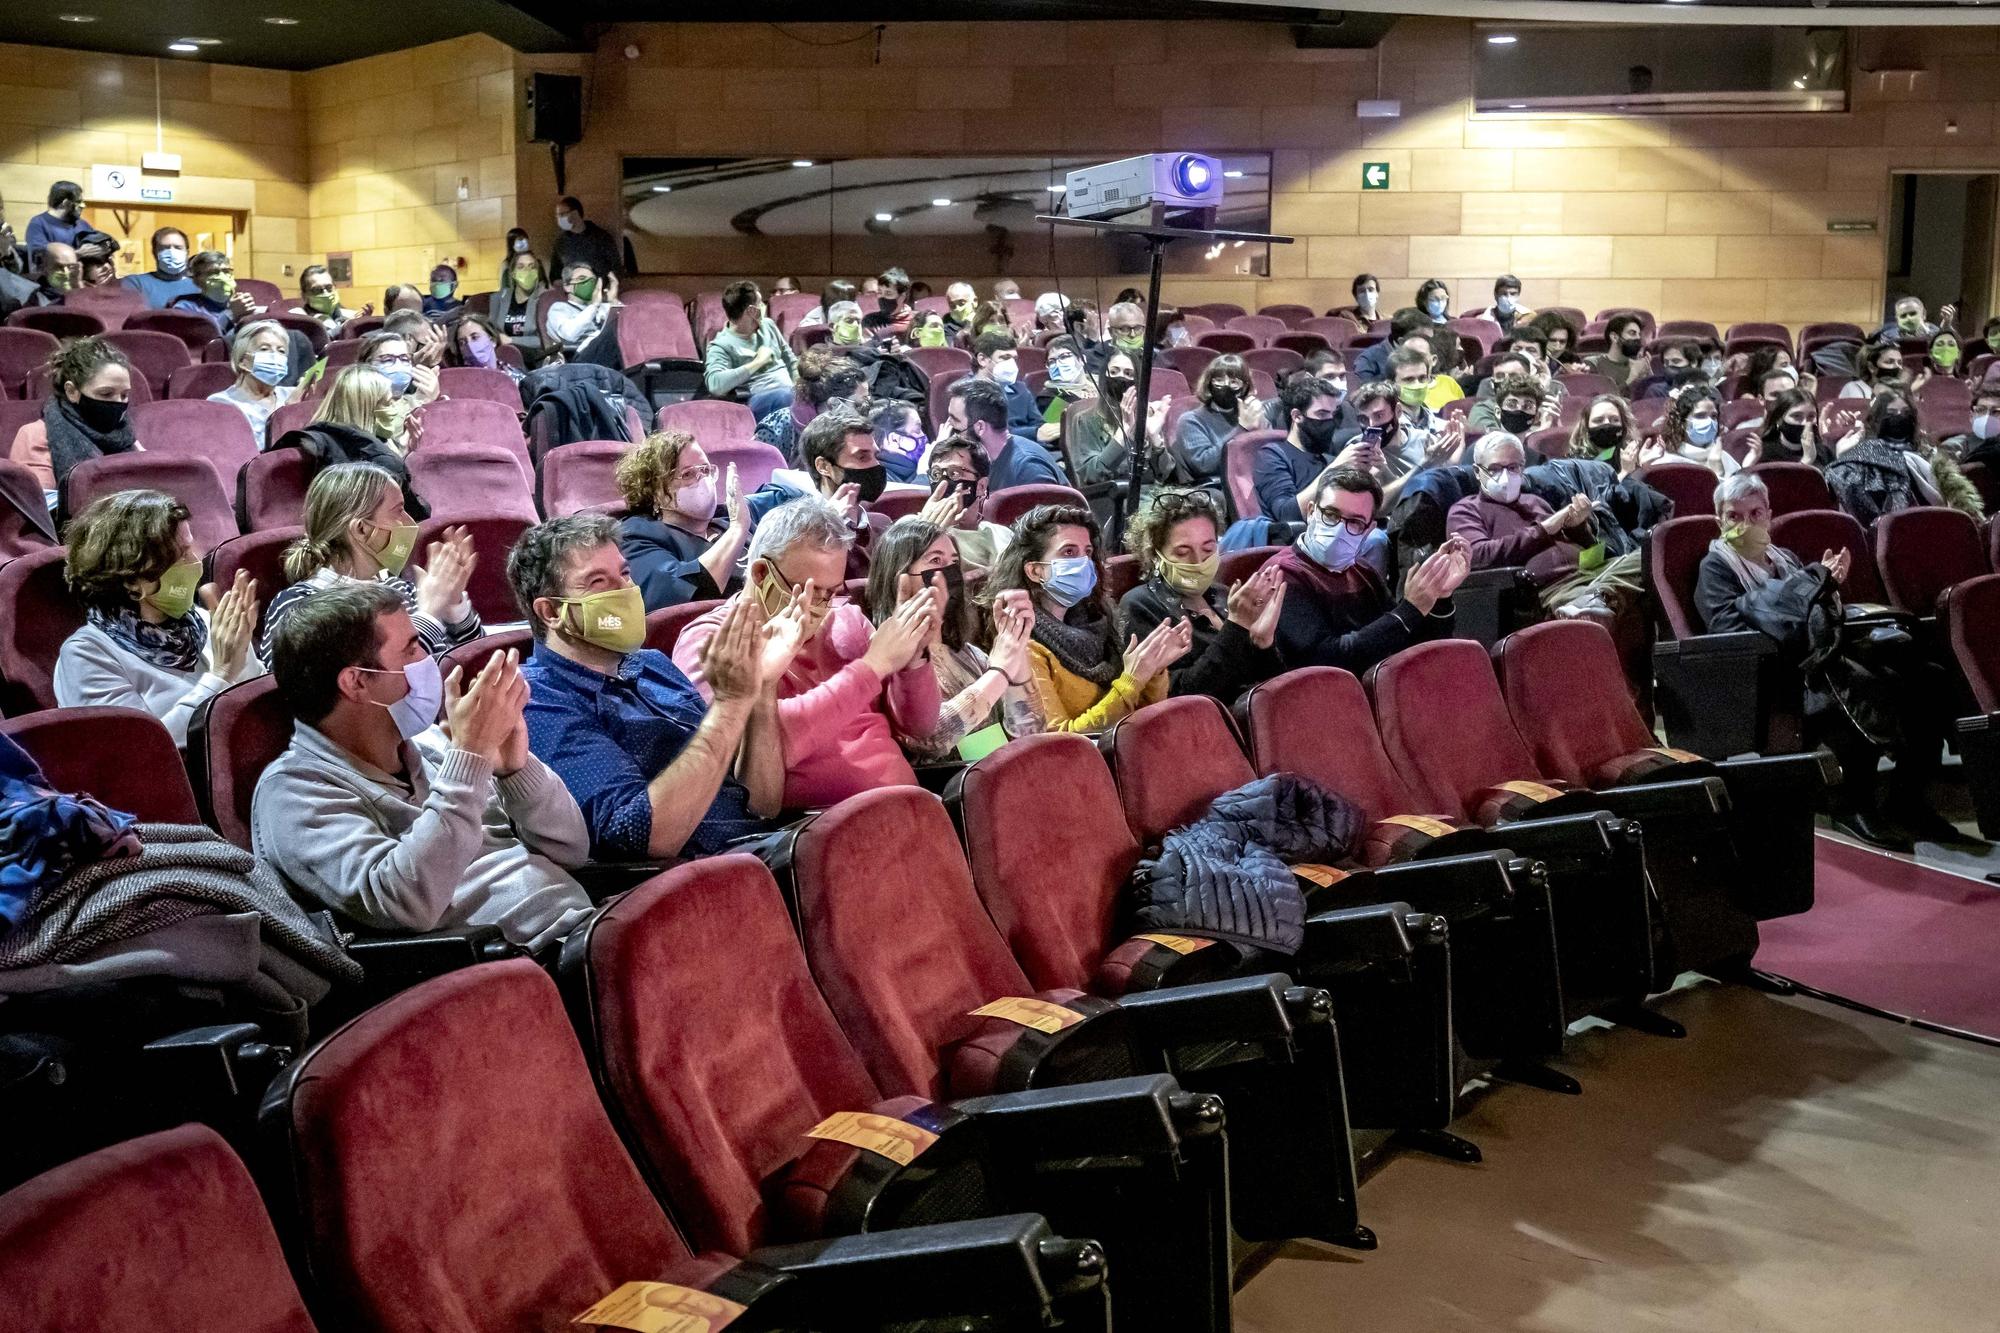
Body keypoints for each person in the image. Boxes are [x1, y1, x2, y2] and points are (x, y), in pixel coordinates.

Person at [256, 582, 594, 950]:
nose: (428, 659)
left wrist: (515, 770)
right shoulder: (292, 793)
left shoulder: (429, 743)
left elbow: (572, 850)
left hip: (580, 925)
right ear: (356, 682)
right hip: (505, 967)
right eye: (412, 648)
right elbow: (404, 901)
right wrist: (470, 758)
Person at [1695, 473, 1947, 850]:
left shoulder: (1786, 558)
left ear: (1769, 515)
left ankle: (1907, 797)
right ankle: (1851, 803)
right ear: (1719, 521)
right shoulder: (1715, 568)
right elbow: (1727, 627)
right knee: (1865, 684)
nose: (1745, 524)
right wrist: (1811, 588)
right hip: (1774, 671)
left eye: (1755, 513)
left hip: (1822, 653)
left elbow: (1815, 613)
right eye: (1734, 516)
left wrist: (1827, 589)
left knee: (1929, 679)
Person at [513, 515, 789, 859]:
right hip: (697, 879)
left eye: (624, 574)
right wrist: (731, 705)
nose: (625, 591)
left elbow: (763, 804)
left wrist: (761, 690)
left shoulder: (652, 663)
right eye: (598, 582)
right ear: (551, 612)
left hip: (760, 847)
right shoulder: (538, 699)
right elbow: (642, 837)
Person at [673, 496, 941, 807]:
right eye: (810, 591)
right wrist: (871, 667)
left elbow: (918, 726)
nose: (822, 607)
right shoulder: (713, 639)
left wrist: (914, 659)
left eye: (832, 591)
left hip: (907, 809)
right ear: (761, 574)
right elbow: (756, 746)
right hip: (808, 828)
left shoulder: (847, 618)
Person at [54, 489, 263, 746]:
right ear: (132, 580)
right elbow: (142, 752)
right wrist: (219, 674)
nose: (196, 562)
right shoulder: (87, 655)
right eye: (180, 555)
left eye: (191, 547)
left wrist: (242, 650)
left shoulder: (206, 622)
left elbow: (257, 714)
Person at [983, 503, 1185, 732]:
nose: (1083, 562)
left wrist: (1154, 670)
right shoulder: (1025, 647)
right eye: (1069, 552)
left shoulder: (1100, 622)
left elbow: (1142, 714)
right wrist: (1133, 678)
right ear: (1035, 571)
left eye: (1087, 552)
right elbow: (1059, 740)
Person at [258, 461, 480, 662]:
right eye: (399, 511)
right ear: (362, 530)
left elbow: (471, 662)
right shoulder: (299, 605)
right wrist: (430, 613)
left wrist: (454, 604)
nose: (410, 522)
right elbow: (386, 683)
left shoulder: (401, 589)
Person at [864, 516, 1043, 762]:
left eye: (954, 563)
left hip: (999, 776)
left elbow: (1029, 732)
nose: (949, 573)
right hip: (945, 790)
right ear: (899, 576)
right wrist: (1000, 671)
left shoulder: (968, 653)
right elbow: (931, 739)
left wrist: (1015, 642)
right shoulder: (884, 655)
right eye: (935, 560)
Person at [1269, 467, 1468, 673]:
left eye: (1354, 522)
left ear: (1369, 530)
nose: (1338, 529)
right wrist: (1410, 609)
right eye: (1330, 514)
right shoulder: (1282, 574)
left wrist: (1439, 597)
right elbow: (1327, 659)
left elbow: (1405, 642)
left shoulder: (1362, 570)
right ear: (1311, 512)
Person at [1450, 431, 1640, 623]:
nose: (1505, 476)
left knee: (1650, 557)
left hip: (1590, 573)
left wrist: (1579, 529)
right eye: (1495, 469)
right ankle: (1596, 597)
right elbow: (1476, 555)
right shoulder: (1466, 509)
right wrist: (1542, 529)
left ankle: (1599, 595)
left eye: (1513, 467)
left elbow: (1591, 553)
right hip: (1550, 590)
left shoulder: (1535, 501)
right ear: (1477, 471)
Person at [1118, 489, 1285, 704]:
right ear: (1155, 555)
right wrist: (1236, 626)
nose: (1198, 561)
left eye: (1208, 549)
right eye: (1182, 552)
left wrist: (1264, 644)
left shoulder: (1224, 595)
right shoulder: (1140, 605)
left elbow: (1272, 687)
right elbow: (1181, 697)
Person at [270, 365, 429, 520]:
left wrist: (402, 452)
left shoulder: (313, 440)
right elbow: (416, 517)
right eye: (389, 403)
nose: (395, 409)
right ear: (367, 408)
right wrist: (398, 461)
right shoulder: (381, 460)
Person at [615, 430, 750, 611]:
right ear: (656, 491)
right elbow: (683, 597)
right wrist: (737, 530)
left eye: (705, 470)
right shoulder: (637, 535)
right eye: (688, 474)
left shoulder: (725, 520)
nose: (703, 480)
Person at [1826, 388, 1983, 524]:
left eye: (1905, 413)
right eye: (1891, 413)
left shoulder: (1932, 458)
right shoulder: (1856, 457)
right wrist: (1842, 453)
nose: (1898, 417)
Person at [9, 336, 137, 498]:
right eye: (106, 393)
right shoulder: (36, 435)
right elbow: (41, 508)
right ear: (72, 391)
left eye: (124, 395)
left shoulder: (127, 436)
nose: (118, 403)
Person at [1255, 373, 1377, 528]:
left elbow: (1366, 511)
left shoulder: (1328, 459)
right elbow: (1287, 514)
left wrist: (1372, 473)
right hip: (1300, 541)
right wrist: (1336, 469)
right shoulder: (1272, 455)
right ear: (1297, 416)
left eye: (1333, 414)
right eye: (1321, 413)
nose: (1329, 421)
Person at [1334, 371, 1463, 504]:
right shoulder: (1358, 449)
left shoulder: (1425, 441)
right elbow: (1377, 506)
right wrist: (1424, 464)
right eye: (1363, 419)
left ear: (1398, 411)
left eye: (1379, 416)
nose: (1371, 425)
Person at [754, 348, 868, 465]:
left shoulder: (853, 430)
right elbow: (754, 473)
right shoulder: (778, 427)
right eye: (859, 405)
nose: (866, 411)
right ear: (833, 404)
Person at [952, 377, 1065, 492]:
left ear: (980, 427)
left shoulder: (1028, 469)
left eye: (955, 422)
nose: (950, 430)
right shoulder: (985, 459)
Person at [704, 280, 797, 420]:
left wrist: (802, 388)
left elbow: (791, 361)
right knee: (785, 397)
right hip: (758, 399)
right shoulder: (721, 345)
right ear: (752, 311)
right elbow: (715, 384)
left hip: (790, 394)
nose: (764, 306)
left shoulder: (769, 326)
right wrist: (757, 362)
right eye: (760, 303)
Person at [1166, 354, 1261, 487]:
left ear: (1244, 387)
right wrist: (1242, 429)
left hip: (1254, 483)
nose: (1226, 386)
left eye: (1234, 382)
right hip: (1218, 488)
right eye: (1219, 380)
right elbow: (1204, 465)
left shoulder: (1253, 416)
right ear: (1209, 383)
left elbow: (1270, 456)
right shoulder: (1191, 420)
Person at [207, 319, 296, 448]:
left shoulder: (294, 395)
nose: (275, 356)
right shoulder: (221, 403)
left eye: (281, 351)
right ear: (243, 361)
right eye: (264, 349)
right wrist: (288, 413)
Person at [1646, 385, 1740, 476]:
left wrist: (1717, 465)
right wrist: (1717, 473)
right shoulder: (1666, 463)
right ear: (1682, 421)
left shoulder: (1723, 457)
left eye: (1713, 416)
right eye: (1700, 415)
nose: (1709, 421)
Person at [546, 260, 623, 367]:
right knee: (613, 333)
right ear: (567, 286)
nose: (589, 283)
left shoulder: (604, 307)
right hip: (578, 361)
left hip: (608, 357)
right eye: (582, 279)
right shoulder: (558, 308)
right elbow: (569, 335)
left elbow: (627, 327)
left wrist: (613, 300)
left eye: (592, 280)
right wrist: (594, 305)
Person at [168, 250, 257, 336]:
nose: (222, 277)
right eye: (213, 273)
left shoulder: (241, 302)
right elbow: (203, 340)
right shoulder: (185, 308)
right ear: (197, 281)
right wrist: (230, 313)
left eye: (226, 271)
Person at [971, 330, 1040, 434]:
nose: (1011, 363)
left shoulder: (1020, 388)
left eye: (1014, 358)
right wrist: (1035, 433)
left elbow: (1039, 423)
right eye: (1005, 357)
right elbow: (989, 434)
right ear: (982, 359)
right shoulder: (967, 392)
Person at [489, 250, 548, 361]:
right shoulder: (498, 298)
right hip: (504, 356)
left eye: (532, 267)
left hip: (536, 358)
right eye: (521, 267)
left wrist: (511, 340)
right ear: (513, 273)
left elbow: (546, 340)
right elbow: (491, 332)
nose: (527, 271)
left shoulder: (545, 298)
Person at [120, 226, 198, 308]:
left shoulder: (199, 286)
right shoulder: (136, 283)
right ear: (154, 253)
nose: (172, 252)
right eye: (165, 248)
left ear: (187, 252)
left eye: (178, 247)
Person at [1467, 370, 1556, 440]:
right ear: (1498, 412)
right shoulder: (1479, 453)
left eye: (1527, 406)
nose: (1519, 409)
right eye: (1512, 405)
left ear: (1536, 417)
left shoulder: (1540, 456)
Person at [552, 195, 624, 281]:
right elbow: (555, 274)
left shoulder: (602, 237)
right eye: (557, 216)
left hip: (600, 290)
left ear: (575, 213)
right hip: (572, 291)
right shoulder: (560, 242)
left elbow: (616, 269)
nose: (559, 219)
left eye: (562, 214)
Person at [1569, 393, 1641, 473]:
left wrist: (1642, 468)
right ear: (1586, 426)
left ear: (1623, 425)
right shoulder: (1575, 464)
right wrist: (1625, 471)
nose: (1607, 424)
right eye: (1599, 420)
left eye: (1614, 420)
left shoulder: (1632, 457)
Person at [293, 264, 368, 337]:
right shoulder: (298, 317)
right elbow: (319, 341)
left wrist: (364, 323)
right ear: (304, 296)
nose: (325, 293)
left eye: (329, 287)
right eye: (317, 290)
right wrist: (348, 326)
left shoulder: (350, 315)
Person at [24, 181, 84, 269]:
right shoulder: (38, 223)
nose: (83, 206)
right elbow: (40, 256)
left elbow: (100, 239)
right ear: (66, 203)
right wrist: (79, 253)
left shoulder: (80, 223)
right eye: (78, 202)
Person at [451, 313, 523, 384]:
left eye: (475, 337)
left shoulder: (515, 380)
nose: (469, 345)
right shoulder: (457, 382)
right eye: (462, 343)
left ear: (492, 340)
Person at [870, 397, 929, 483]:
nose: (924, 437)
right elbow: (909, 496)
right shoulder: (877, 480)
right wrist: (924, 474)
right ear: (894, 440)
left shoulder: (912, 469)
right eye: (917, 430)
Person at [1758, 387, 1821, 467]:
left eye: (1811, 416)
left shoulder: (1823, 451)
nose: (1805, 423)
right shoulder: (1764, 453)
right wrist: (1807, 460)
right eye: (1797, 416)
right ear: (1779, 420)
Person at [1587, 311, 1648, 392]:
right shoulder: (1593, 364)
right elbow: (1601, 400)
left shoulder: (1639, 366)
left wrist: (1648, 376)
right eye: (1632, 333)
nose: (1638, 338)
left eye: (1639, 334)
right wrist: (1631, 378)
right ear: (1614, 337)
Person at [1840, 340, 1920, 400]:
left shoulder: (1902, 389)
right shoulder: (1854, 388)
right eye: (1889, 362)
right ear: (1872, 367)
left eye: (1900, 363)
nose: (1897, 367)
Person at [863, 266, 914, 339]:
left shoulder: (916, 321)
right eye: (880, 292)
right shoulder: (870, 321)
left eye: (888, 293)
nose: (882, 297)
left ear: (902, 297)